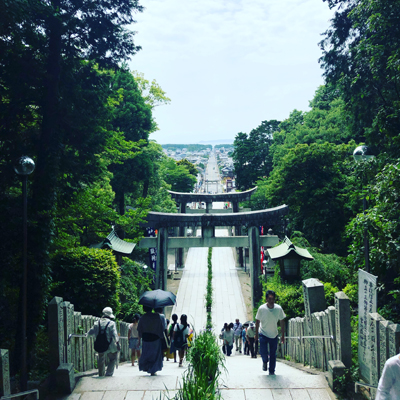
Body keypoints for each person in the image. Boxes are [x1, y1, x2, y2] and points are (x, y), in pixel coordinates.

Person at [255, 290, 286, 375]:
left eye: (273, 299)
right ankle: (265, 361)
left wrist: (283, 335)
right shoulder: (262, 308)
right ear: (266, 299)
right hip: (263, 333)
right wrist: (256, 335)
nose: (271, 301)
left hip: (274, 334)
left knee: (273, 353)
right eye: (269, 298)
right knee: (263, 351)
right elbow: (257, 321)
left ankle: (272, 370)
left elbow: (282, 321)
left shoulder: (278, 309)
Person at [86, 307, 120, 377]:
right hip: (110, 345)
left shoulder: (96, 323)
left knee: (101, 359)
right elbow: (114, 334)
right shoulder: (111, 323)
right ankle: (109, 374)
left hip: (100, 344)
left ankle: (101, 374)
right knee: (112, 359)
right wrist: (117, 342)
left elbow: (90, 332)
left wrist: (86, 336)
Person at [137, 305, 165, 376]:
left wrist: (139, 340)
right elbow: (162, 327)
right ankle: (153, 369)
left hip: (146, 338)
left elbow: (139, 329)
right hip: (155, 338)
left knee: (146, 354)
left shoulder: (142, 317)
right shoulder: (157, 317)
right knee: (155, 355)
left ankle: (147, 367)